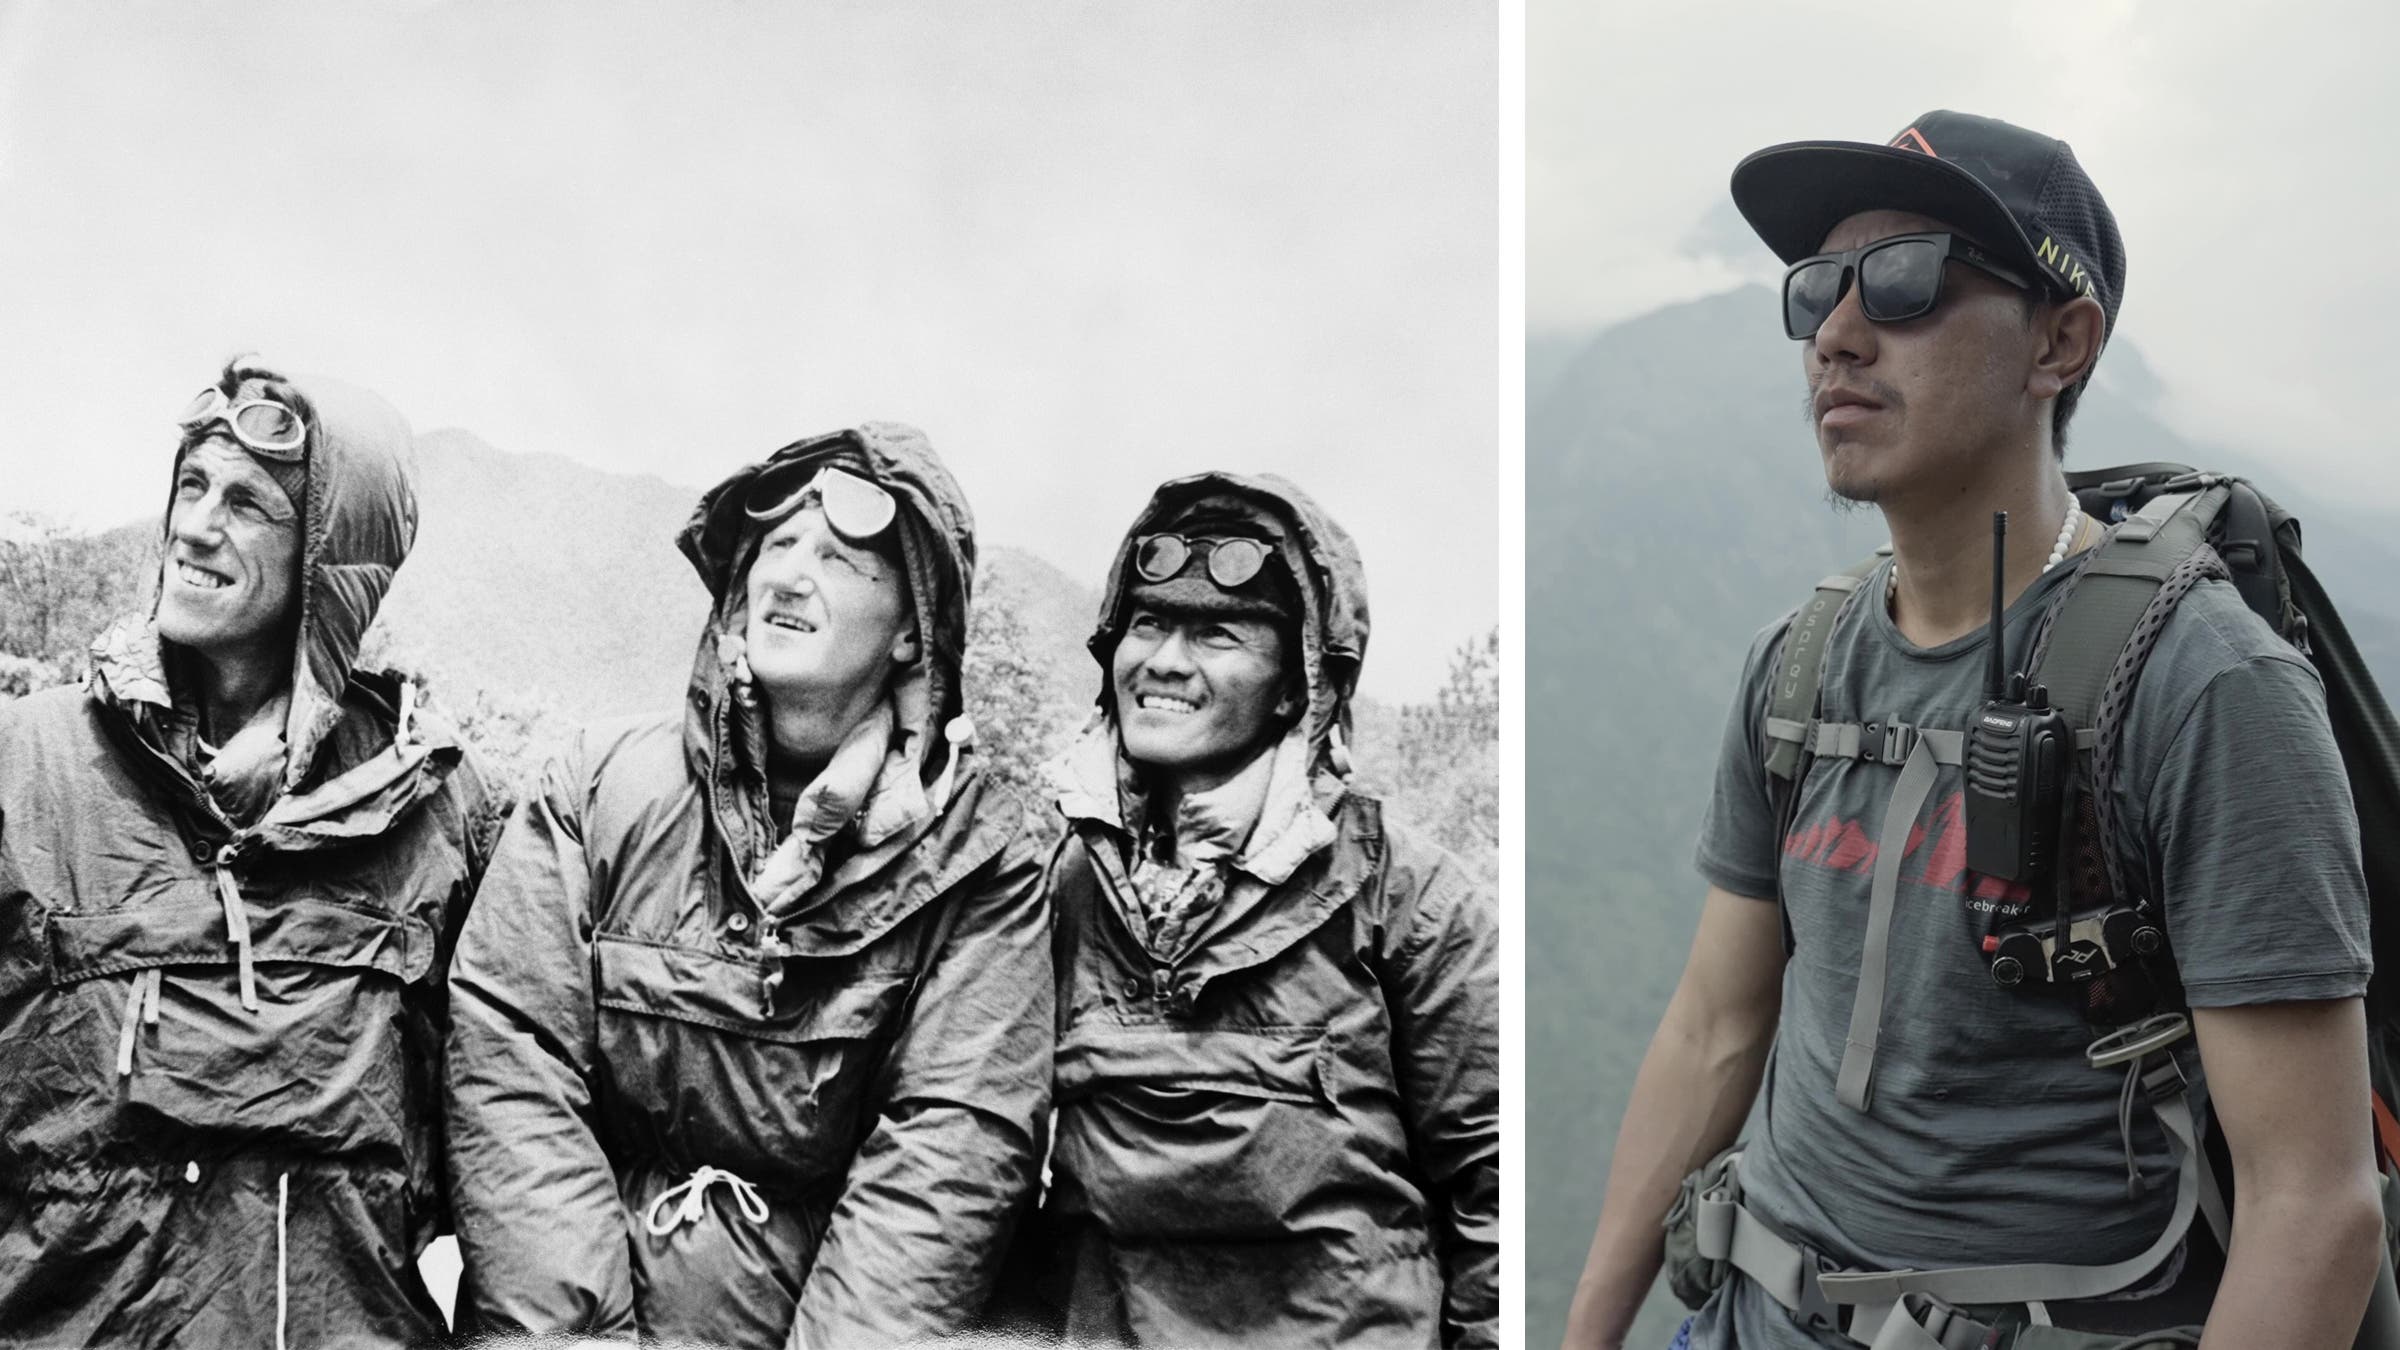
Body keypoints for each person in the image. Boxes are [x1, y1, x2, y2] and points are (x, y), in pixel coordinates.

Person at [1560, 110, 2384, 1350]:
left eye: (1903, 280)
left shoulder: (2207, 690)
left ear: (2061, 341)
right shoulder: (1798, 664)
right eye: (1817, 288)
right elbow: (1714, 1026)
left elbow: (2316, 1208)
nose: (1838, 332)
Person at [445, 423, 1053, 1348]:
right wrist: (575, 1340)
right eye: (776, 546)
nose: (790, 574)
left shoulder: (980, 863)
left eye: (844, 559)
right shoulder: (596, 789)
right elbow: (511, 1060)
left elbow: (949, 1150)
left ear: (910, 633)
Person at [0, 359, 501, 1346]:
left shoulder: (444, 812)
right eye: (191, 485)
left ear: (330, 560)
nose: (193, 526)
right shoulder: (26, 769)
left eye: (247, 504)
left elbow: (513, 1156)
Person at [1024, 472, 1498, 1348]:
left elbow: (1495, 1185)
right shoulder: (1059, 887)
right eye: (1149, 623)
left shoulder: (1412, 903)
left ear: (1298, 688)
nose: (1165, 660)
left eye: (1217, 634)